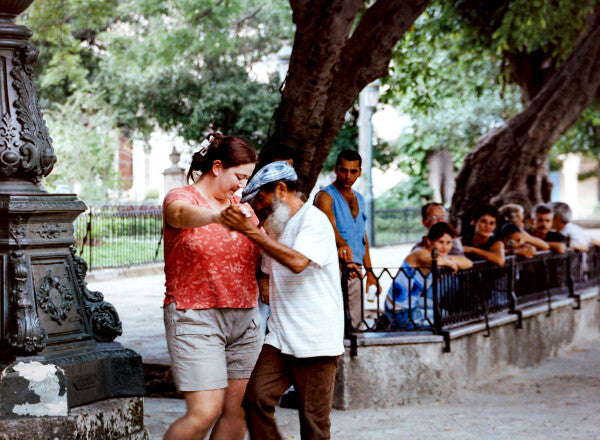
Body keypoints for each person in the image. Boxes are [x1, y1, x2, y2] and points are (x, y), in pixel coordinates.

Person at [220, 161, 344, 440]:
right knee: (255, 399)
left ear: (280, 189)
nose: (257, 207)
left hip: (317, 340)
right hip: (281, 336)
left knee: (314, 425)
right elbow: (266, 269)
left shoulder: (313, 221)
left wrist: (251, 232)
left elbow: (298, 262)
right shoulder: (277, 228)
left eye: (260, 199)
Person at [161, 133, 263, 440]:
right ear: (217, 167)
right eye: (239, 176)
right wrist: (217, 216)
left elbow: (261, 247)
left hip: (245, 321)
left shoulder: (241, 206)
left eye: (247, 178)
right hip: (195, 317)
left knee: (237, 411)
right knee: (204, 412)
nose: (242, 185)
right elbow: (179, 215)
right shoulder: (182, 197)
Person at [314, 149, 378, 328]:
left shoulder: (360, 199)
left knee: (355, 327)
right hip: (332, 270)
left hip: (355, 270)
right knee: (331, 326)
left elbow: (362, 236)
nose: (348, 176)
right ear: (335, 169)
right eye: (343, 170)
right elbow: (328, 225)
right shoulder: (325, 196)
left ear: (360, 172)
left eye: (353, 171)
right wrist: (342, 244)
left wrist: (370, 272)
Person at [384, 222, 472, 329]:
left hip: (413, 305)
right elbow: (435, 261)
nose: (445, 247)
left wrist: (450, 261)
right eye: (440, 242)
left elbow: (468, 263)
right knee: (446, 322)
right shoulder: (419, 253)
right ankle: (390, 323)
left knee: (446, 314)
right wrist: (450, 262)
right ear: (429, 241)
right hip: (400, 312)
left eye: (448, 243)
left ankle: (387, 321)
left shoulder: (440, 255)